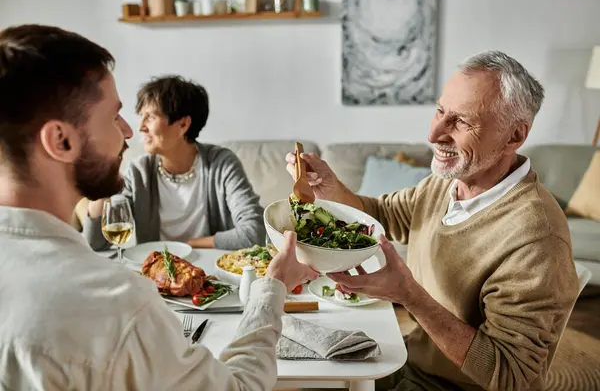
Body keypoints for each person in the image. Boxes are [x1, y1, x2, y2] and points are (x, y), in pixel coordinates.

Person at [0, 24, 319, 389]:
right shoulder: (119, 304)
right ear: (61, 139)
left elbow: (249, 229)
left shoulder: (218, 163)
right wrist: (272, 287)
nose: (129, 132)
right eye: (113, 116)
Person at [287, 51, 579, 391]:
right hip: (412, 363)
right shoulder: (447, 183)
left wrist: (410, 295)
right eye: (441, 111)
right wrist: (330, 187)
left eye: (461, 121)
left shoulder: (536, 238)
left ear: (514, 136)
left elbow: (512, 376)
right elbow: (384, 215)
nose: (433, 134)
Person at [81, 75, 264, 251]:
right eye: (141, 116)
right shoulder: (139, 172)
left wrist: (192, 244)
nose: (140, 127)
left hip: (211, 274)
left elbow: (254, 232)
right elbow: (95, 244)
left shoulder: (221, 164)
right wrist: (105, 170)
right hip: (156, 275)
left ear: (183, 125)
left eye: (151, 117)